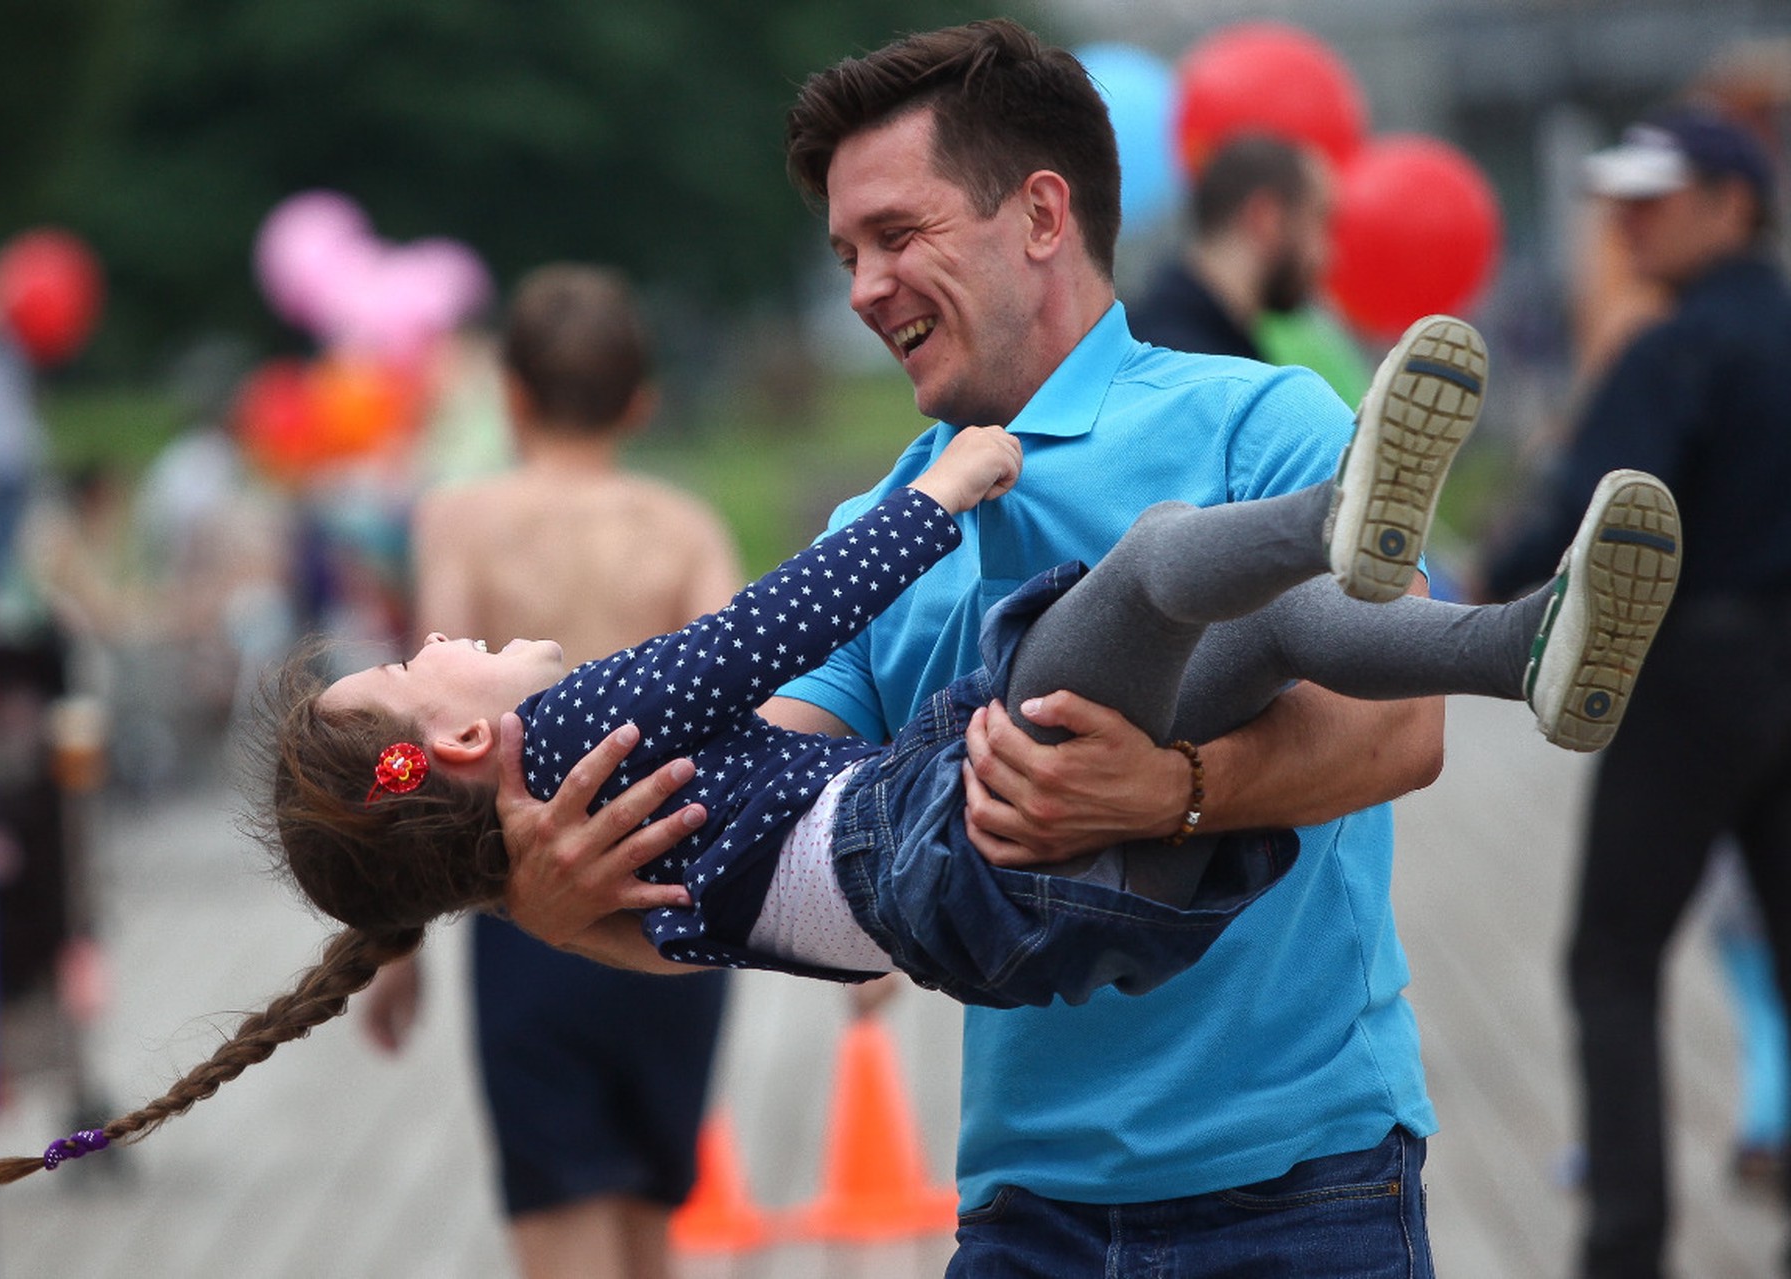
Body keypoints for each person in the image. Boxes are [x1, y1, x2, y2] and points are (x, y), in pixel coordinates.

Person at [0, 316, 1686, 1189]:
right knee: (1167, 559)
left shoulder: (562, 857)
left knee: (1257, 638)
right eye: (422, 660)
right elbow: (754, 637)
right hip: (953, 828)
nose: (440, 634)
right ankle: (1343, 503)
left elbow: (763, 860)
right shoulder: (566, 744)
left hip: (1006, 907)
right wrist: (932, 497)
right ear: (468, 733)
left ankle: (1518, 645)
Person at [480, 21, 1476, 1276]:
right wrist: (564, 908)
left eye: (899, 236)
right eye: (847, 252)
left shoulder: (1259, 417)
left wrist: (1175, 793)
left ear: (1042, 216)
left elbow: (1406, 726)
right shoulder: (878, 533)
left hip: (1305, 1181)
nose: (861, 287)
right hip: (1026, 1210)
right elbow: (748, 825)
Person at [362, 264, 735, 1279]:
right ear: (642, 400)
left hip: (529, 903)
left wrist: (392, 942)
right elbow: (753, 708)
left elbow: (423, 742)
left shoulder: (459, 521)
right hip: (669, 891)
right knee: (654, 1214)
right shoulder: (685, 528)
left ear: (510, 394)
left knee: (557, 1214)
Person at [1476, 105, 1791, 1279]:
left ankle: (1626, 1248)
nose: (1626, 221)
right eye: (1620, 200)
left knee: (1610, 962)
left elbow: (1582, 516)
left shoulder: (1672, 350)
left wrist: (1473, 589)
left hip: (1693, 680)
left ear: (1733, 204)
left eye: (1653, 200)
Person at [1126, 133, 1333, 360]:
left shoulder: (1144, 336)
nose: (1329, 255)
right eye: (1320, 221)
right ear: (1265, 218)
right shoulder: (1200, 367)